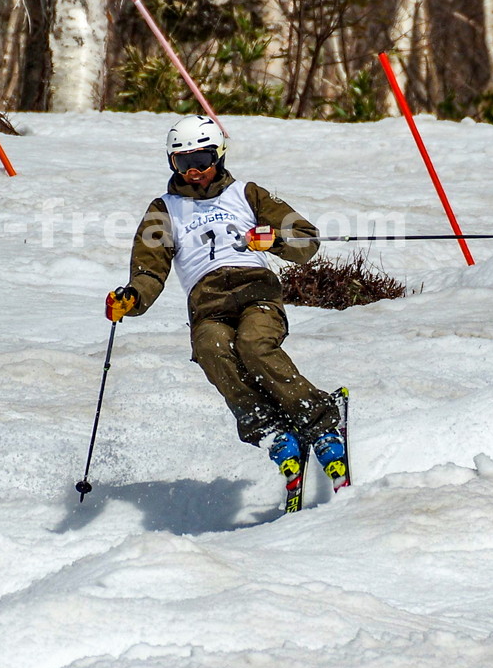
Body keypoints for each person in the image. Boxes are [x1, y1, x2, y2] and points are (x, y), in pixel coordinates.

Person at [105, 115, 348, 498]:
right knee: (211, 348)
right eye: (183, 163)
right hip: (209, 303)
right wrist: (132, 299)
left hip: (256, 292)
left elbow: (307, 239)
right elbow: (149, 271)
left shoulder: (247, 195)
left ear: (218, 156)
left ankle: (319, 420)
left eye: (201, 159)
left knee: (253, 345)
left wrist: (274, 240)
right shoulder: (163, 210)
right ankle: (268, 427)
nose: (194, 171)